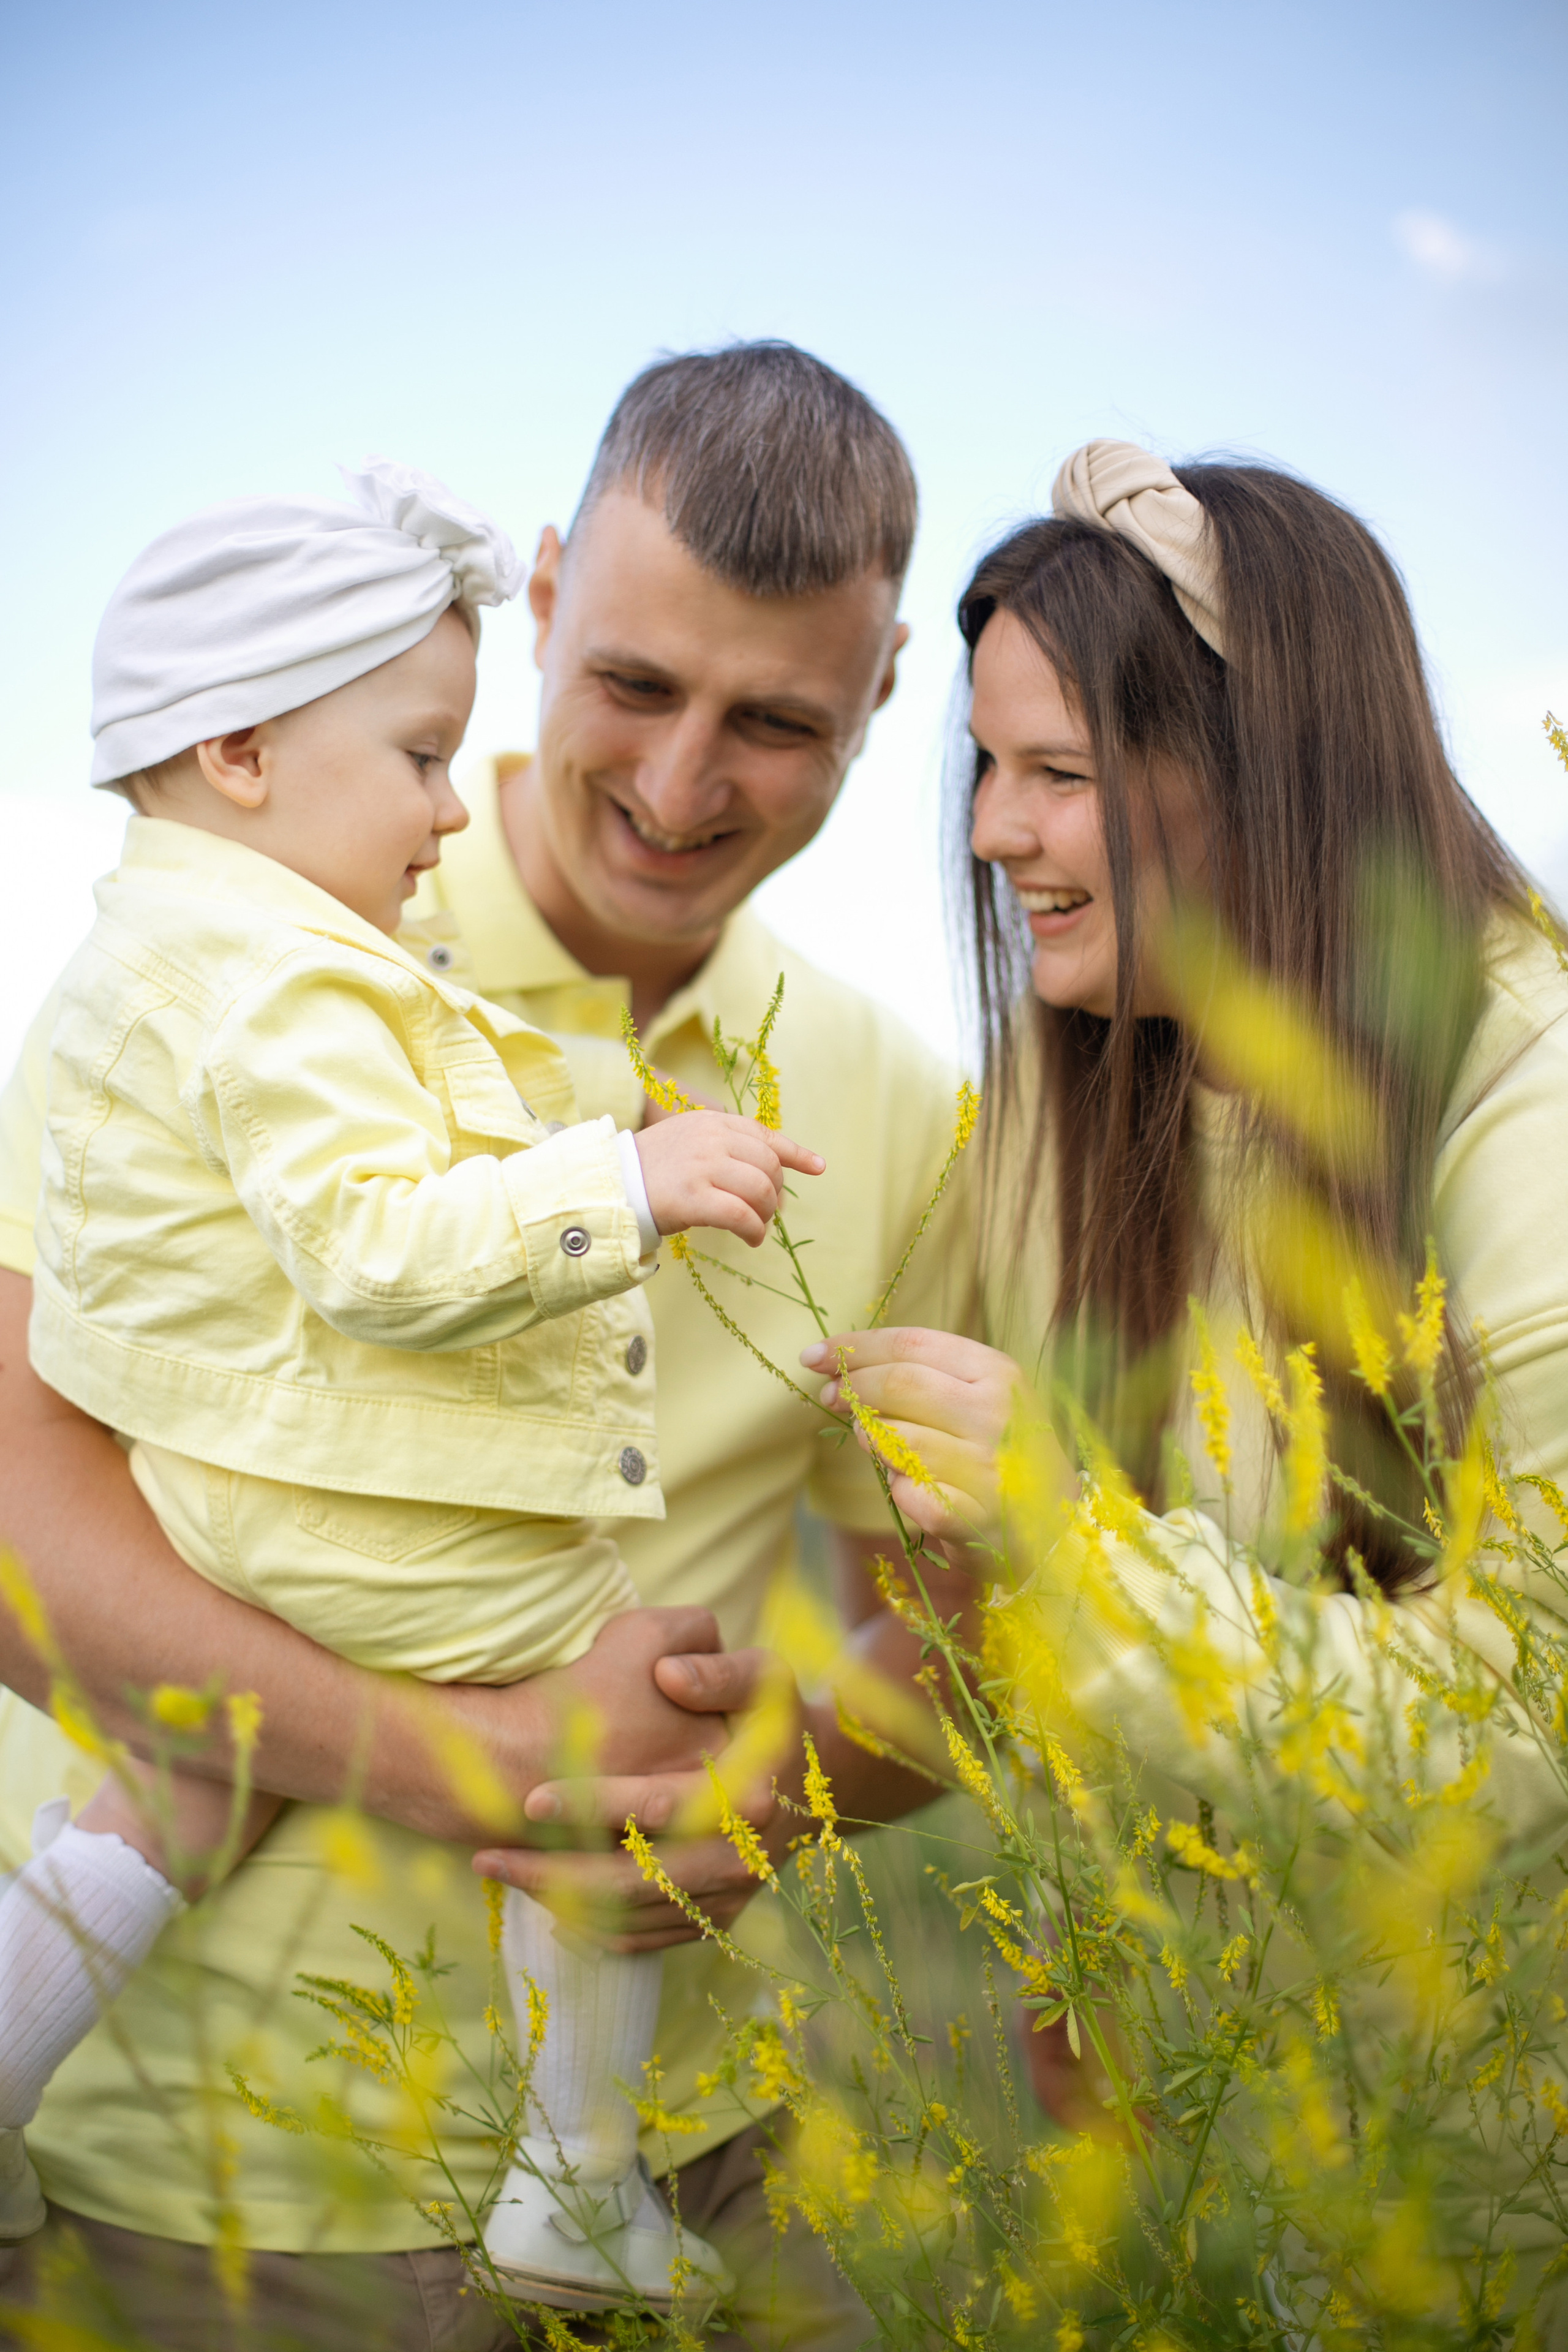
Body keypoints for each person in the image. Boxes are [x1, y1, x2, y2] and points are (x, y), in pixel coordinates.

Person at [0, 345, 976, 2348]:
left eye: (778, 722)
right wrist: (491, 1769)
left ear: (882, 702)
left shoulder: (890, 1099)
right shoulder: (236, 964)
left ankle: (577, 2173)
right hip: (224, 2175)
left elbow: (925, 1625)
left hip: (692, 2132)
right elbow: (15, 1512)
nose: (683, 786)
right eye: (634, 685)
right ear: (539, 598)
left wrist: (769, 1791)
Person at [803, 440, 1568, 2076]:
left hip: (1482, 2172)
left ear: (1261, 767)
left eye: (1058, 773)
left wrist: (1073, 1543)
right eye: (987, 766)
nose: (997, 830)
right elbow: (925, 1561)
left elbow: (1519, 1732)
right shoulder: (1064, 1088)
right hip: (1176, 2152)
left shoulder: (1531, 1098)